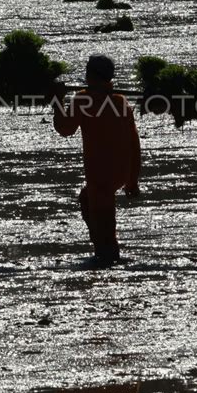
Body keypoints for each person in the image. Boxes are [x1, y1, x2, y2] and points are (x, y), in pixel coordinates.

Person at [51, 55, 141, 266]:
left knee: (103, 222)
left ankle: (106, 259)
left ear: (90, 75)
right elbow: (134, 142)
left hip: (101, 174)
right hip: (120, 171)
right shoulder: (120, 101)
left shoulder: (84, 99)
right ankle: (104, 252)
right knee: (87, 199)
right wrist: (132, 178)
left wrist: (56, 101)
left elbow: (65, 128)